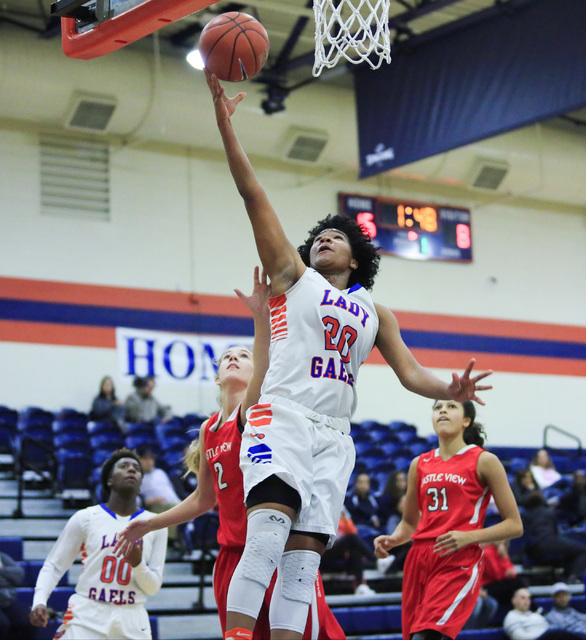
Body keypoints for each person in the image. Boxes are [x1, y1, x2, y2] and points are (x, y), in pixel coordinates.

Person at [205, 69, 494, 640]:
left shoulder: (376, 312)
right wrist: (224, 124)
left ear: (357, 258)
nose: (323, 241)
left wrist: (450, 391)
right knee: (265, 539)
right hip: (282, 416)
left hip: (335, 435)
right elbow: (252, 194)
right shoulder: (295, 278)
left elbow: (412, 376)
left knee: (302, 565)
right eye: (319, 237)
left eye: (335, 238)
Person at [114, 268, 345, 640]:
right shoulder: (208, 430)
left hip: (278, 551)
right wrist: (150, 523)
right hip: (233, 557)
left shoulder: (254, 412)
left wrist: (261, 316)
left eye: (243, 355)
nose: (234, 358)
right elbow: (204, 499)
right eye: (226, 357)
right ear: (217, 376)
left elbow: (267, 360)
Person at [374, 400, 523, 640]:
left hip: (457, 558)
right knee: (414, 634)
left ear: (467, 421)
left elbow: (515, 525)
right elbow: (410, 523)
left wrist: (470, 536)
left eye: (451, 406)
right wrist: (394, 538)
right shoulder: (419, 464)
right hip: (419, 557)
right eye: (437, 407)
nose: (442, 410)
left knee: (426, 635)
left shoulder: (484, 460)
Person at [29, 449, 167, 639]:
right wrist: (39, 601)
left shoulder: (156, 524)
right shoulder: (86, 518)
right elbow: (54, 565)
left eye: (136, 468)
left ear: (141, 482)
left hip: (132, 617)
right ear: (109, 480)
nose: (132, 470)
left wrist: (137, 564)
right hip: (88, 613)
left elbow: (153, 587)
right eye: (124, 467)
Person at [522, 491, 586, 584]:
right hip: (549, 542)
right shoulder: (549, 512)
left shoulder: (524, 515)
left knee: (568, 553)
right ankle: (573, 578)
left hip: (532, 549)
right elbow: (556, 532)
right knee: (582, 550)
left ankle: (564, 578)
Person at [136, 448, 182, 553]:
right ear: (139, 460)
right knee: (172, 509)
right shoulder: (137, 476)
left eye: (151, 459)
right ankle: (170, 542)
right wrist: (150, 501)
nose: (150, 462)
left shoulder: (160, 473)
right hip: (153, 507)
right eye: (146, 459)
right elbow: (135, 499)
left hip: (174, 503)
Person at [503, 587, 583, 640]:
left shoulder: (536, 615)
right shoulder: (511, 616)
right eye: (523, 598)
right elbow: (519, 637)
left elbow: (547, 627)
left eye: (528, 598)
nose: (526, 601)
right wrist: (540, 636)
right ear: (514, 600)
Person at [0, 551, 36, 640]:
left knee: (31, 620)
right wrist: (6, 578)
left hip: (7, 600)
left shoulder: (2, 556)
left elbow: (19, 574)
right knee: (2, 624)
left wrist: (2, 570)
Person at [482, 541, 528, 608]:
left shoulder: (500, 551)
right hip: (487, 586)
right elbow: (496, 575)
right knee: (518, 583)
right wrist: (503, 557)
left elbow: (511, 571)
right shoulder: (487, 552)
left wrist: (504, 556)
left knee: (518, 583)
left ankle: (525, 608)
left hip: (498, 584)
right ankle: (531, 608)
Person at [345, 472, 382, 544]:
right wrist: (371, 522)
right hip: (358, 530)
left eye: (366, 482)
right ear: (355, 484)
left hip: (374, 530)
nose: (363, 485)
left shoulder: (374, 500)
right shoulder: (349, 500)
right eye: (361, 482)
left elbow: (379, 518)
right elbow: (352, 520)